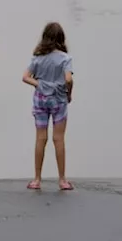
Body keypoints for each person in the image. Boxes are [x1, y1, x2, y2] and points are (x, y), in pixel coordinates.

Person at [23, 21, 74, 191]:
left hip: (41, 99)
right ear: (61, 38)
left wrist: (39, 84)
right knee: (58, 139)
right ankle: (62, 180)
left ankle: (37, 179)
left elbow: (25, 77)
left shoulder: (38, 58)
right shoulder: (65, 59)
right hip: (59, 100)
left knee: (40, 138)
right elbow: (68, 79)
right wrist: (69, 93)